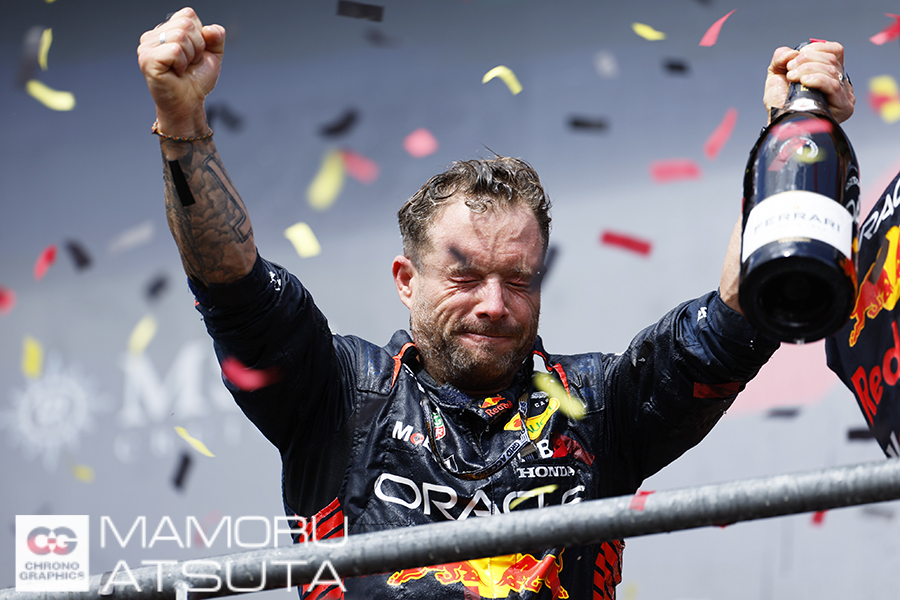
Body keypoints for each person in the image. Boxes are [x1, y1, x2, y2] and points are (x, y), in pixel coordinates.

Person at [137, 9, 855, 599]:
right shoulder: (337, 394)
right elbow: (232, 287)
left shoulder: (598, 404)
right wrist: (182, 123)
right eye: (465, 277)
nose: (493, 304)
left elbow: (735, 319)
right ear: (406, 279)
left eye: (518, 279)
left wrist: (793, 130)